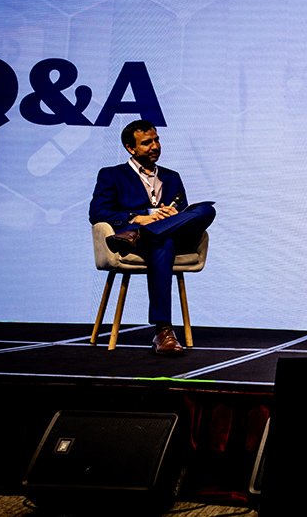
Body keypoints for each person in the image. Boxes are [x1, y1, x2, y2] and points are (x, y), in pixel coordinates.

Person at [89, 120, 216, 355]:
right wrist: (139, 218)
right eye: (147, 143)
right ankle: (163, 331)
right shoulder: (112, 175)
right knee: (162, 244)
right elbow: (97, 213)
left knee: (206, 209)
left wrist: (174, 216)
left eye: (156, 140)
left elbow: (185, 217)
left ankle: (139, 235)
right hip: (138, 246)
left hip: (143, 238)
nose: (155, 146)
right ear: (130, 148)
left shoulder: (172, 177)